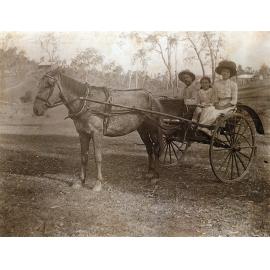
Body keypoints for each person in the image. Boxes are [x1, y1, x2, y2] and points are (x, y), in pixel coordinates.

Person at [198, 60, 238, 136]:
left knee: (214, 114)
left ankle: (206, 128)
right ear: (221, 73)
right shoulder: (216, 84)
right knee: (207, 109)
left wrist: (223, 107)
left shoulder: (233, 84)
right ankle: (202, 127)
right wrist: (216, 104)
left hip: (229, 106)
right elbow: (215, 97)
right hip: (218, 104)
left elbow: (234, 100)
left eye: (227, 72)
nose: (225, 73)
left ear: (230, 74)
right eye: (223, 71)